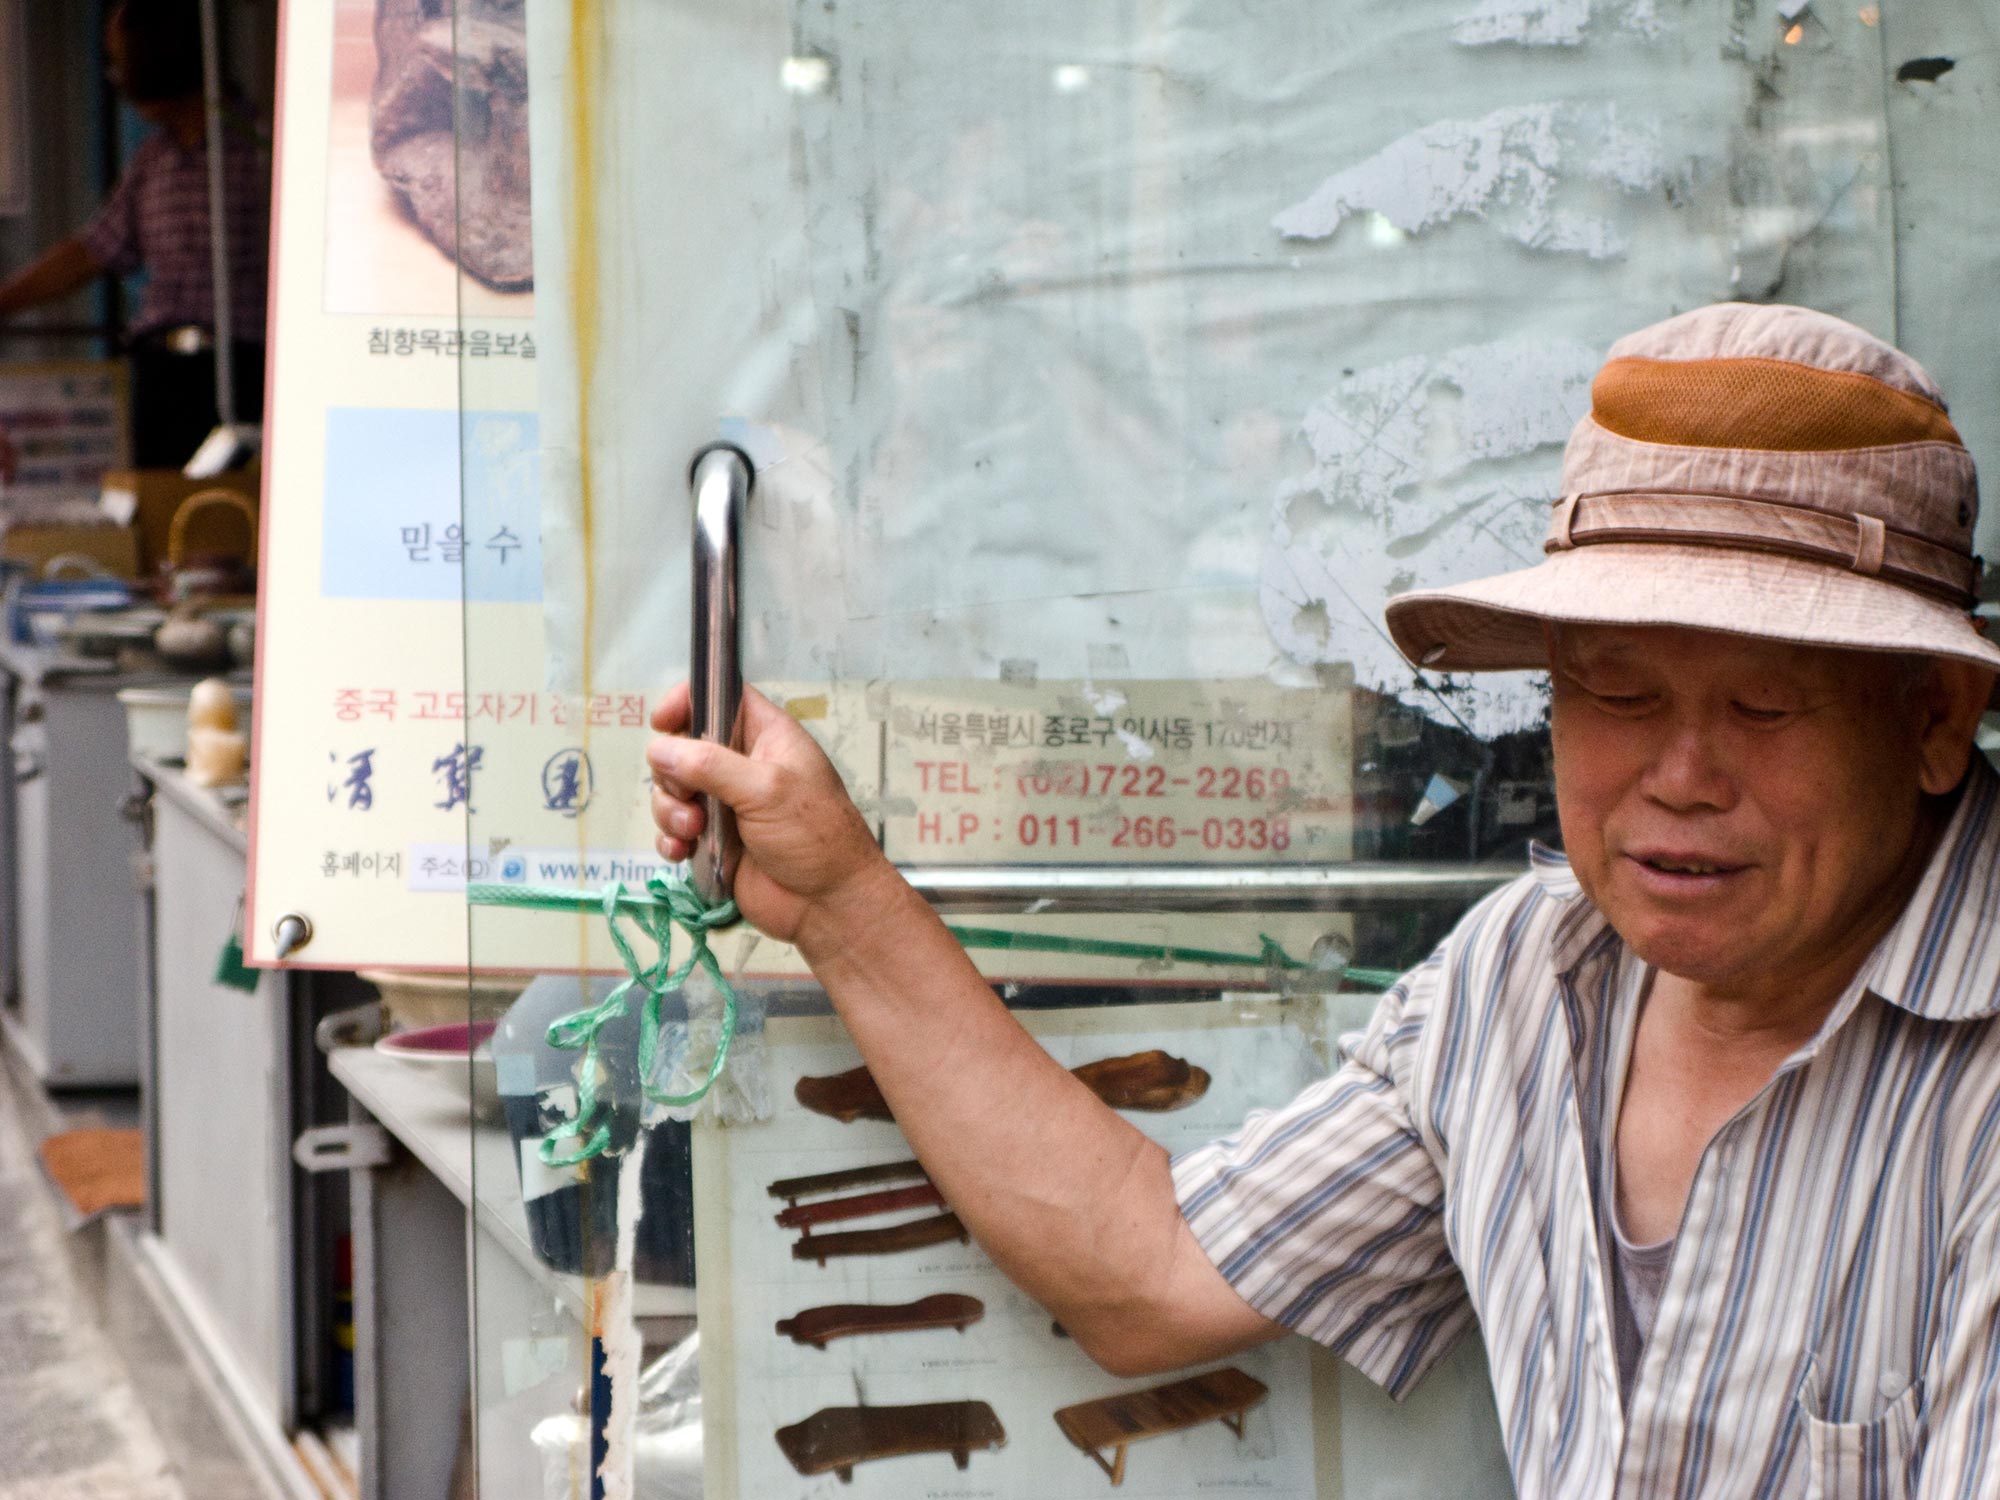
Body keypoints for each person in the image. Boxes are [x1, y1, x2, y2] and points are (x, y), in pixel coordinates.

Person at [647, 303, 2000, 1496]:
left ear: (1936, 720)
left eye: (1766, 703)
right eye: (1616, 691)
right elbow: (1151, 1271)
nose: (1679, 776)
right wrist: (836, 896)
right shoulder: (1531, 979)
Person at [0, 0, 268, 468]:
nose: (116, 79)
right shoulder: (152, 160)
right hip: (164, 374)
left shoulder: (261, 148)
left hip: (245, 368)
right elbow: (93, 251)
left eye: (122, 64)